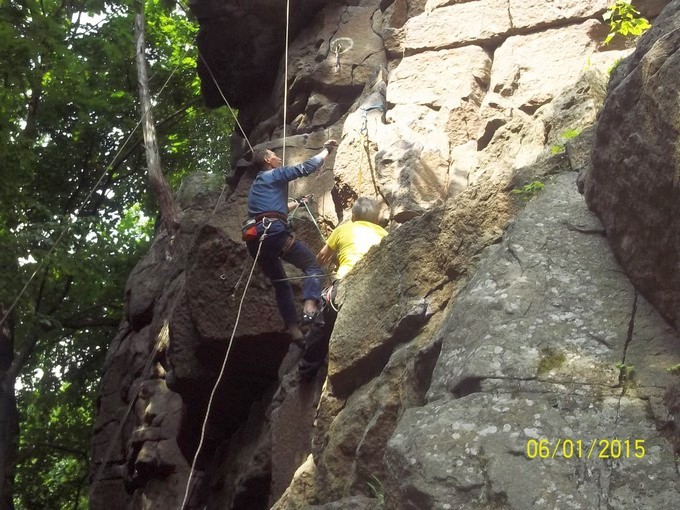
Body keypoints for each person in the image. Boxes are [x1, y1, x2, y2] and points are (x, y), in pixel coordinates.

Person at [245, 140, 337, 342]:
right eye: (274, 155)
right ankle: (310, 307)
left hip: (255, 240)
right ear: (268, 160)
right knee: (313, 265)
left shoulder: (257, 186)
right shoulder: (275, 174)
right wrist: (326, 151)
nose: (278, 157)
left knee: (281, 286)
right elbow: (305, 168)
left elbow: (275, 210)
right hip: (274, 233)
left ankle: (295, 332)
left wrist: (298, 203)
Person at [298, 196, 388, 379]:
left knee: (321, 327)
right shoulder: (385, 234)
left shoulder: (344, 229)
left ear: (353, 217)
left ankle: (306, 372)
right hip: (374, 286)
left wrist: (335, 254)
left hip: (345, 284)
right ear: (377, 221)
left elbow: (320, 259)